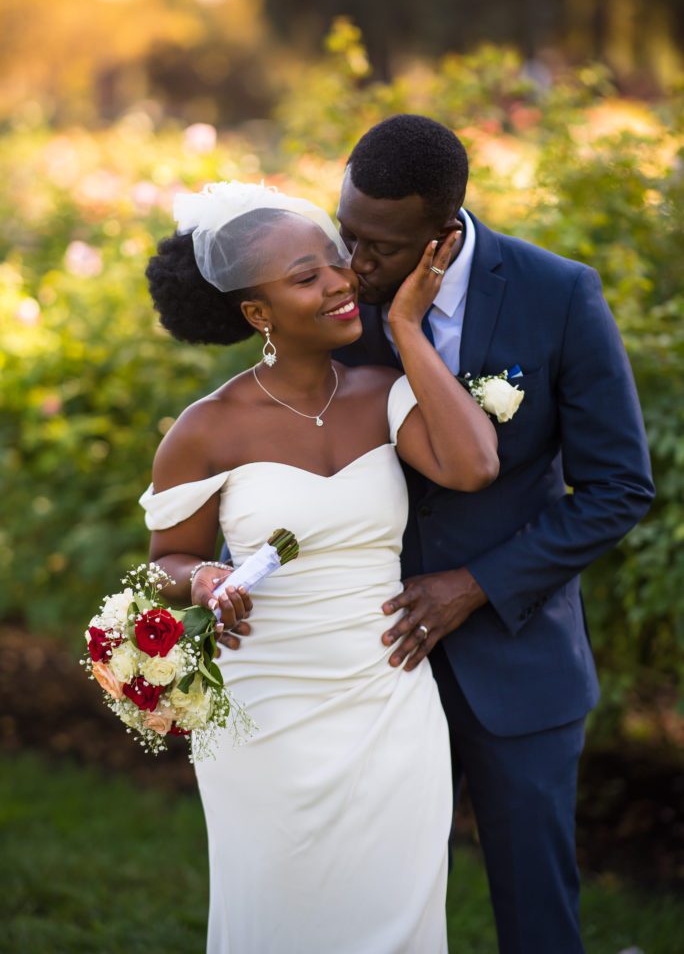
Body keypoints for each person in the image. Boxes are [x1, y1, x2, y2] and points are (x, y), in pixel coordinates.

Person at [139, 180, 499, 954]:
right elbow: (166, 561)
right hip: (266, 711)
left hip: (388, 701)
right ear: (256, 314)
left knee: (398, 914)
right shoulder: (207, 430)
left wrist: (405, 327)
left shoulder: (383, 392)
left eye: (334, 263)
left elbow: (472, 465)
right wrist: (203, 578)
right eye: (306, 277)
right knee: (280, 916)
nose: (340, 282)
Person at [333, 114, 655, 954]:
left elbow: (619, 486)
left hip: (521, 665)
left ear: (441, 240)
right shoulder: (338, 300)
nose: (354, 266)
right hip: (377, 662)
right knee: (372, 906)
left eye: (379, 249)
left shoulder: (557, 294)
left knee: (536, 912)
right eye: (345, 235)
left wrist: (475, 584)